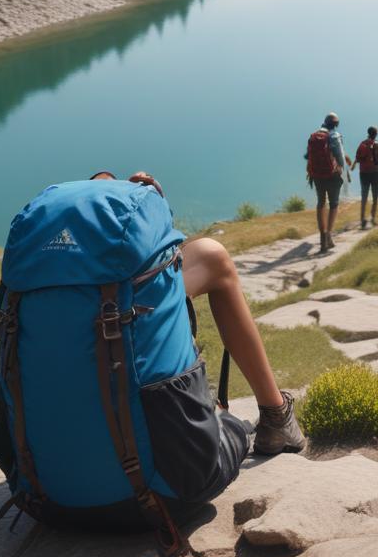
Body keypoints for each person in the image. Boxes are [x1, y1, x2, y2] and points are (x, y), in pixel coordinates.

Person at [93, 170, 305, 457]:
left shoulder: (42, 284)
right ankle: (276, 415)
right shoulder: (130, 285)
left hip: (49, 476)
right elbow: (156, 259)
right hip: (158, 469)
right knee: (212, 255)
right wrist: (145, 206)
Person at [305, 113, 350, 253]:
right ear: (336, 124)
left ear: (324, 122)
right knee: (334, 203)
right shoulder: (335, 136)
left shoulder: (314, 136)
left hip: (317, 176)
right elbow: (340, 159)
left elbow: (307, 156)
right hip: (332, 175)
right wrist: (345, 172)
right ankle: (329, 236)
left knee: (321, 203)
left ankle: (322, 238)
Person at [351, 126, 378, 229]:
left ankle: (362, 220)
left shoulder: (362, 144)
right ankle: (373, 219)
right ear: (376, 134)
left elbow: (357, 158)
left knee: (364, 197)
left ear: (368, 133)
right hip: (375, 173)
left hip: (364, 174)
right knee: (375, 198)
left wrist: (353, 166)